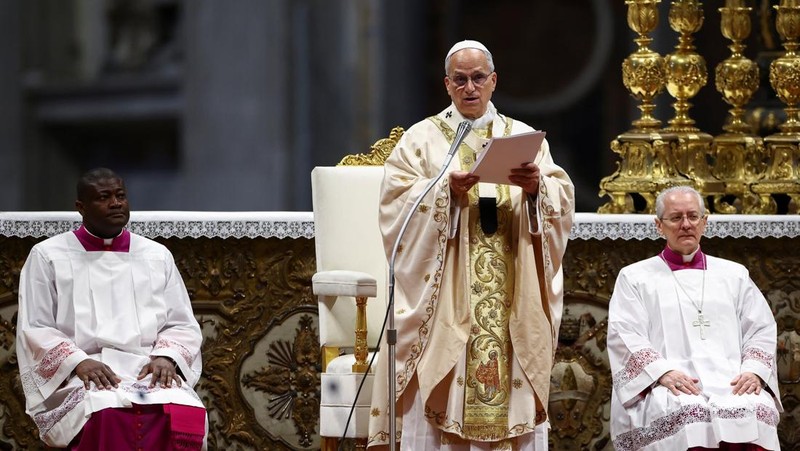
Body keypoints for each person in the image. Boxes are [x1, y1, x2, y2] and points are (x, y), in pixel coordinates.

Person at [368, 40, 575, 450]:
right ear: (447, 84)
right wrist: (446, 193)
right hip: (447, 291)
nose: (470, 87)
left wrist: (537, 190)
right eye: (460, 79)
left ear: (493, 81)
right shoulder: (421, 139)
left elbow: (561, 198)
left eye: (478, 78)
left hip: (511, 288)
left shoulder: (522, 137)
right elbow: (394, 205)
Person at [16, 168, 207, 450]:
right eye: (104, 197)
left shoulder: (155, 255)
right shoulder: (48, 255)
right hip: (84, 372)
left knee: (182, 411)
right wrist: (78, 361)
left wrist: (166, 357)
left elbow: (181, 323)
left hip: (147, 367)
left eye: (121, 196)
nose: (116, 203)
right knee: (106, 412)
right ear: (80, 207)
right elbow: (36, 325)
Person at [607, 186, 782, 451]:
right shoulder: (635, 277)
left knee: (755, 407)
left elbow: (761, 328)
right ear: (659, 225)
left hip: (732, 380)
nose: (686, 224)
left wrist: (754, 371)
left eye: (693, 216)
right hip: (670, 382)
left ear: (705, 222)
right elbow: (624, 333)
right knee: (687, 410)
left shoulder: (734, 275)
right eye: (676, 218)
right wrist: (661, 372)